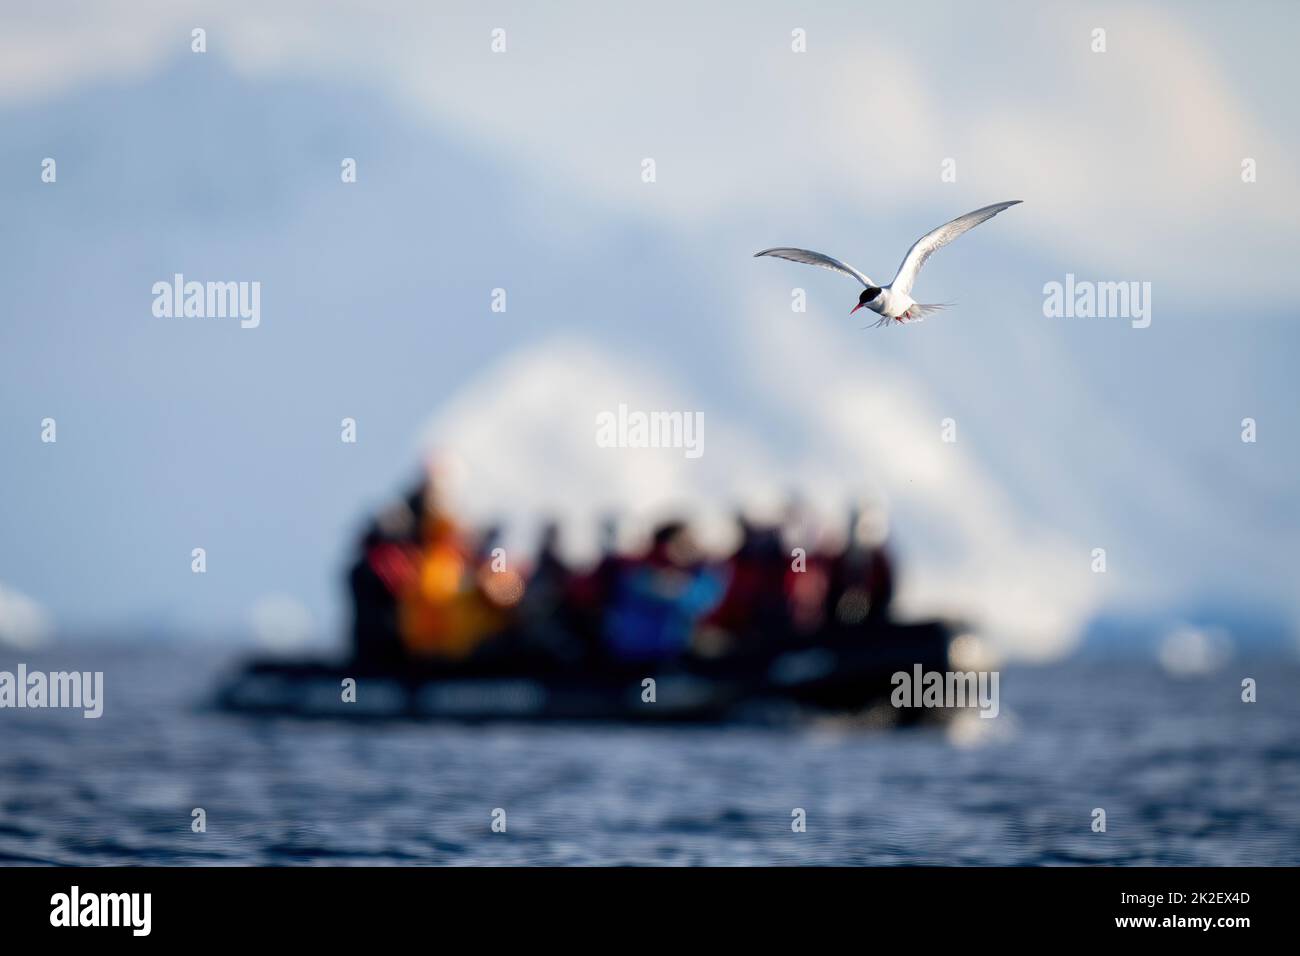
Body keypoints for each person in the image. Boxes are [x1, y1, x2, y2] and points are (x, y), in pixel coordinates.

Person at [602, 522, 727, 662]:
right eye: (681, 542)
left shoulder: (702, 573)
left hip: (672, 654)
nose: (688, 548)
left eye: (691, 542)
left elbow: (702, 602)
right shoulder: (637, 571)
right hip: (632, 654)